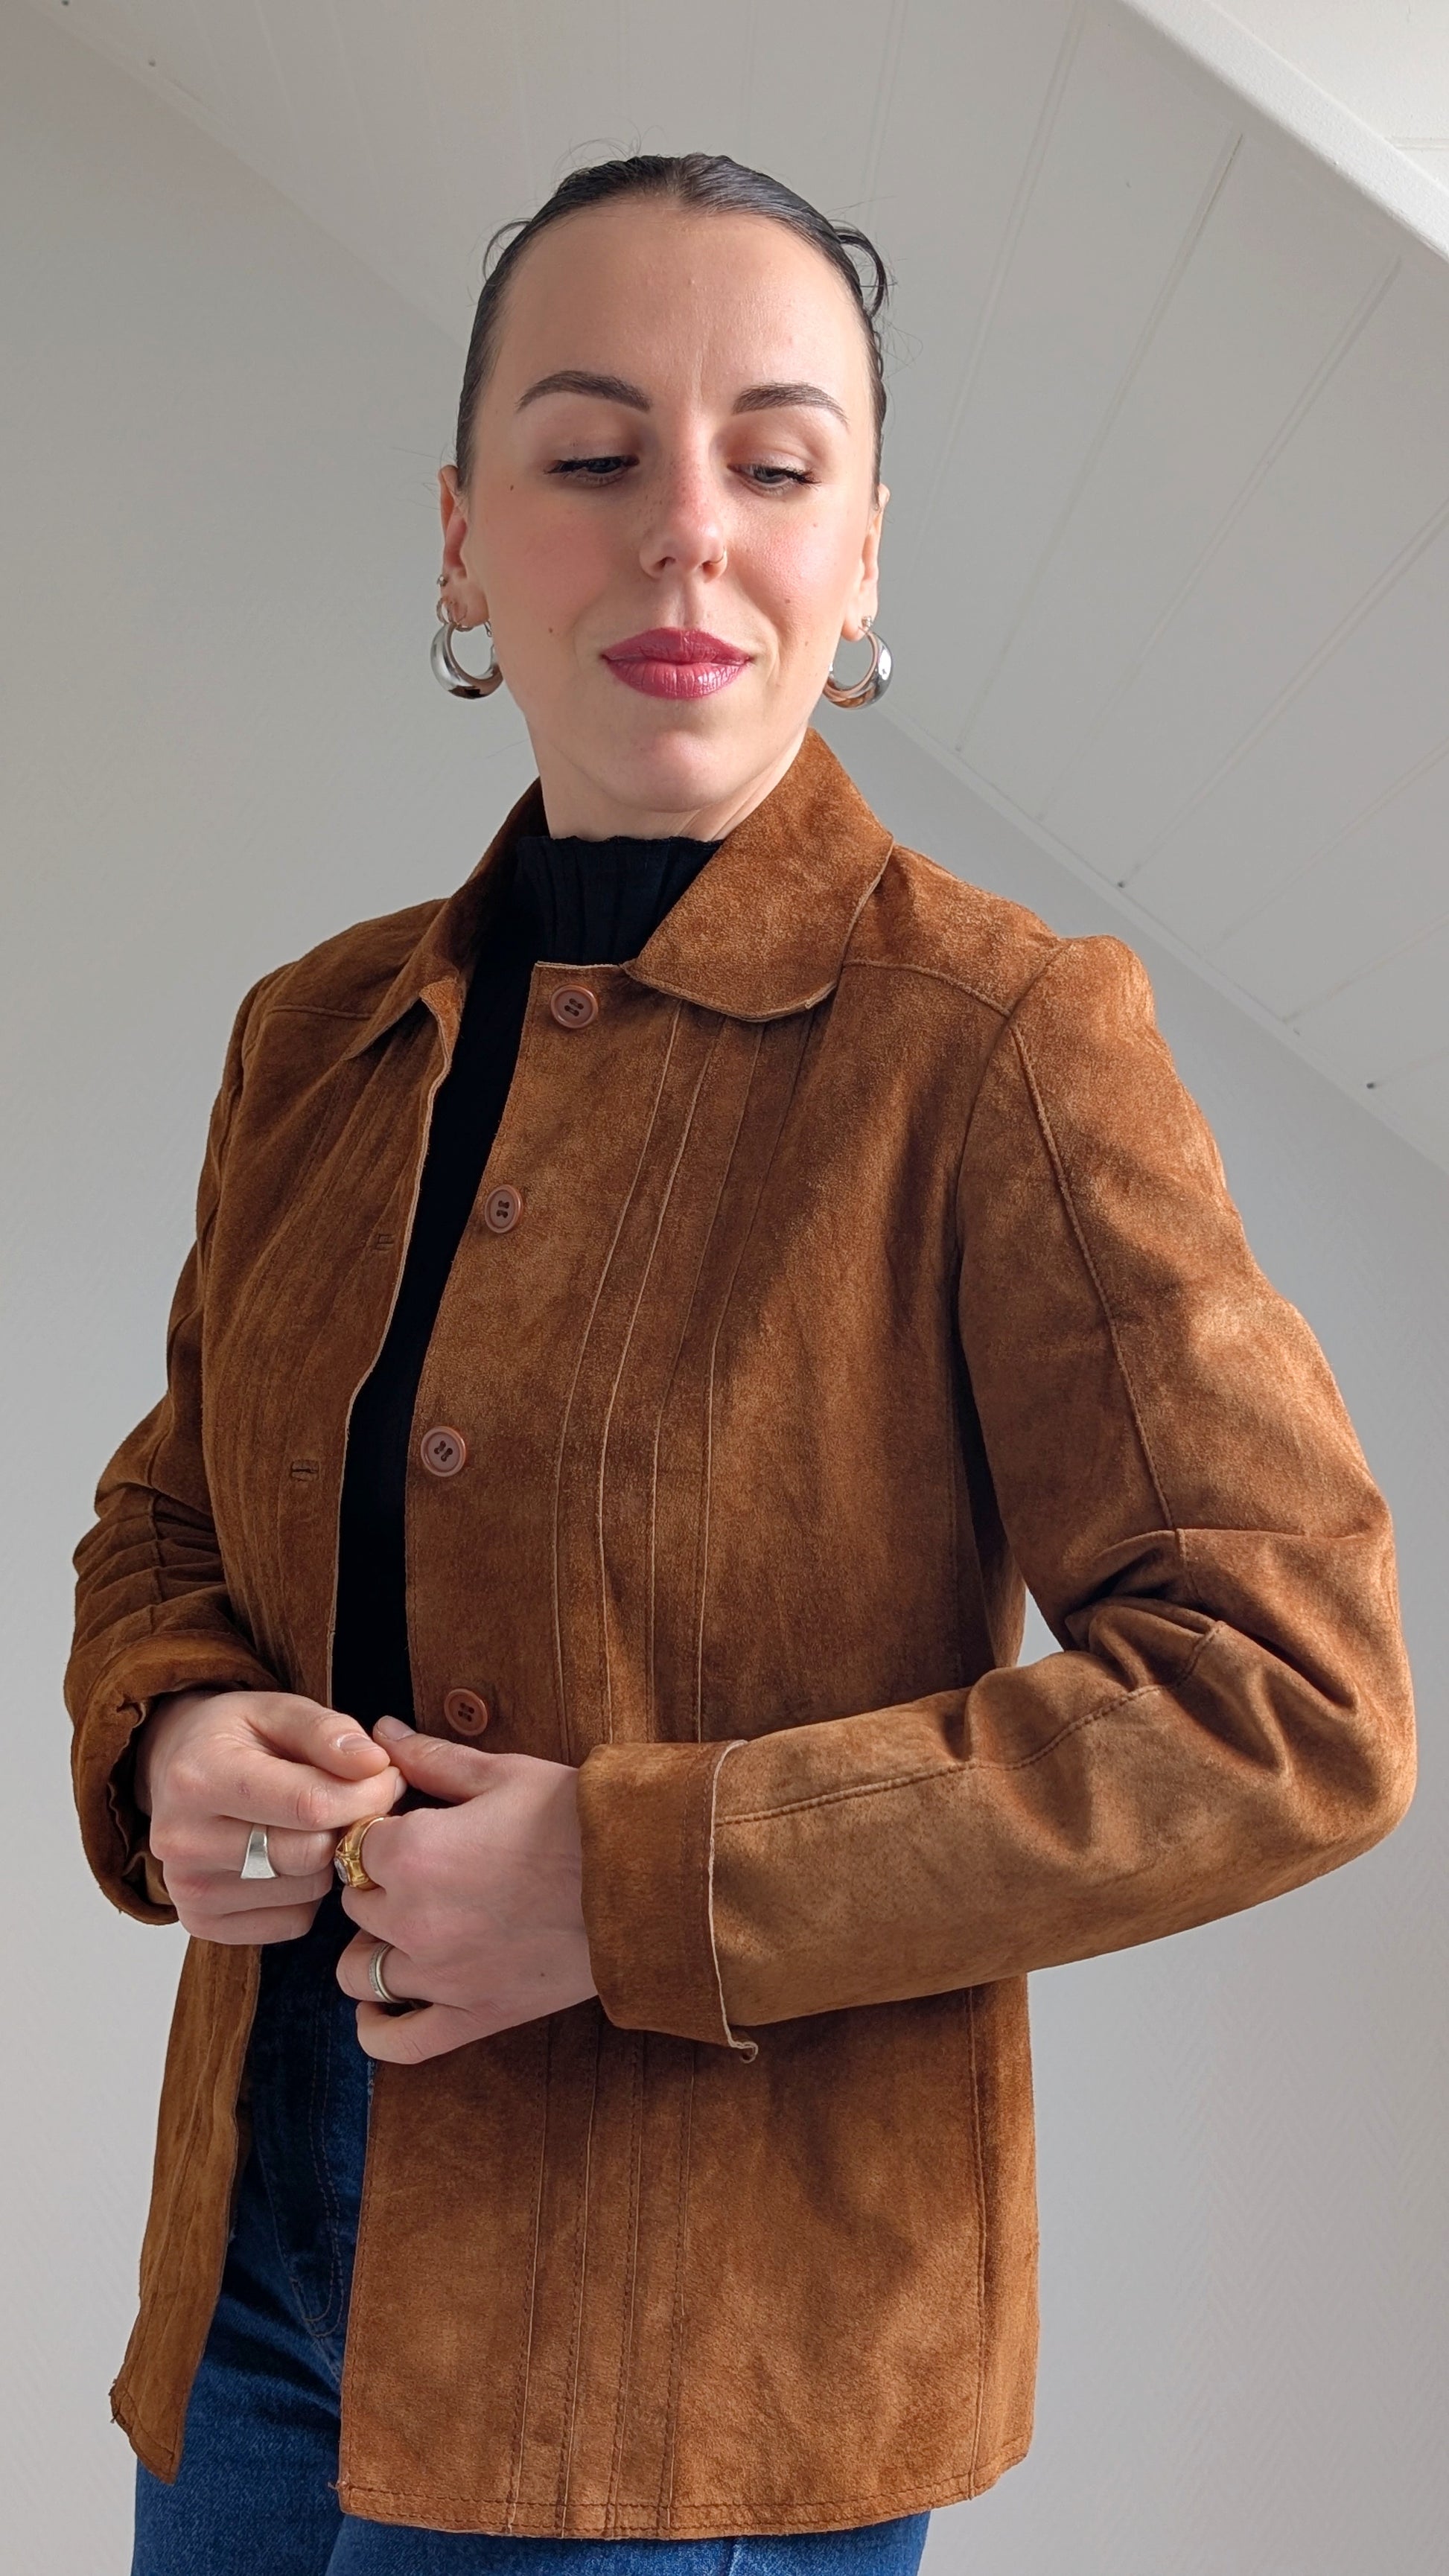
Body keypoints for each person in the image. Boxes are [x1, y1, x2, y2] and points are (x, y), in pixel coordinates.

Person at [66, 153, 1415, 2576]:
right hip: (256, 2299)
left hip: (691, 2381)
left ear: (860, 552)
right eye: (592, 453)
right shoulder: (318, 1037)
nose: (685, 530)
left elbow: (1291, 1695)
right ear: (463, 539)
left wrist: (636, 1883)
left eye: (773, 466)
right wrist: (170, 1728)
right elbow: (170, 1504)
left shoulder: (998, 1045)